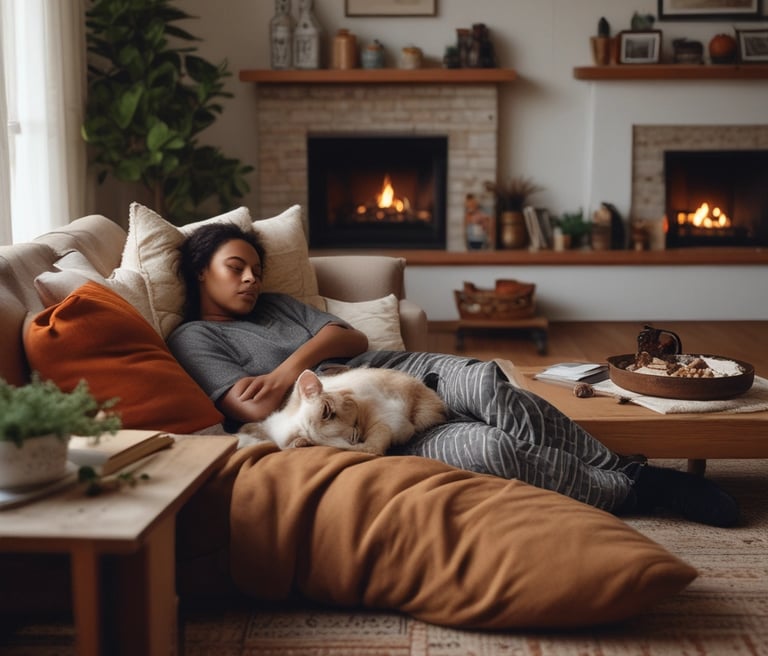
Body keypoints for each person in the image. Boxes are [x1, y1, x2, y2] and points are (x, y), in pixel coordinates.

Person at [167, 223, 740, 527]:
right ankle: (634, 490)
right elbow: (248, 407)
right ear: (200, 272)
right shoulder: (194, 337)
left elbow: (350, 338)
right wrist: (304, 370)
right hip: (365, 428)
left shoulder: (277, 305)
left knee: (488, 382)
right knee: (493, 449)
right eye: (235, 268)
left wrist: (288, 371)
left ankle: (640, 475)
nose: (251, 279)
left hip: (389, 371)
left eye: (256, 269)